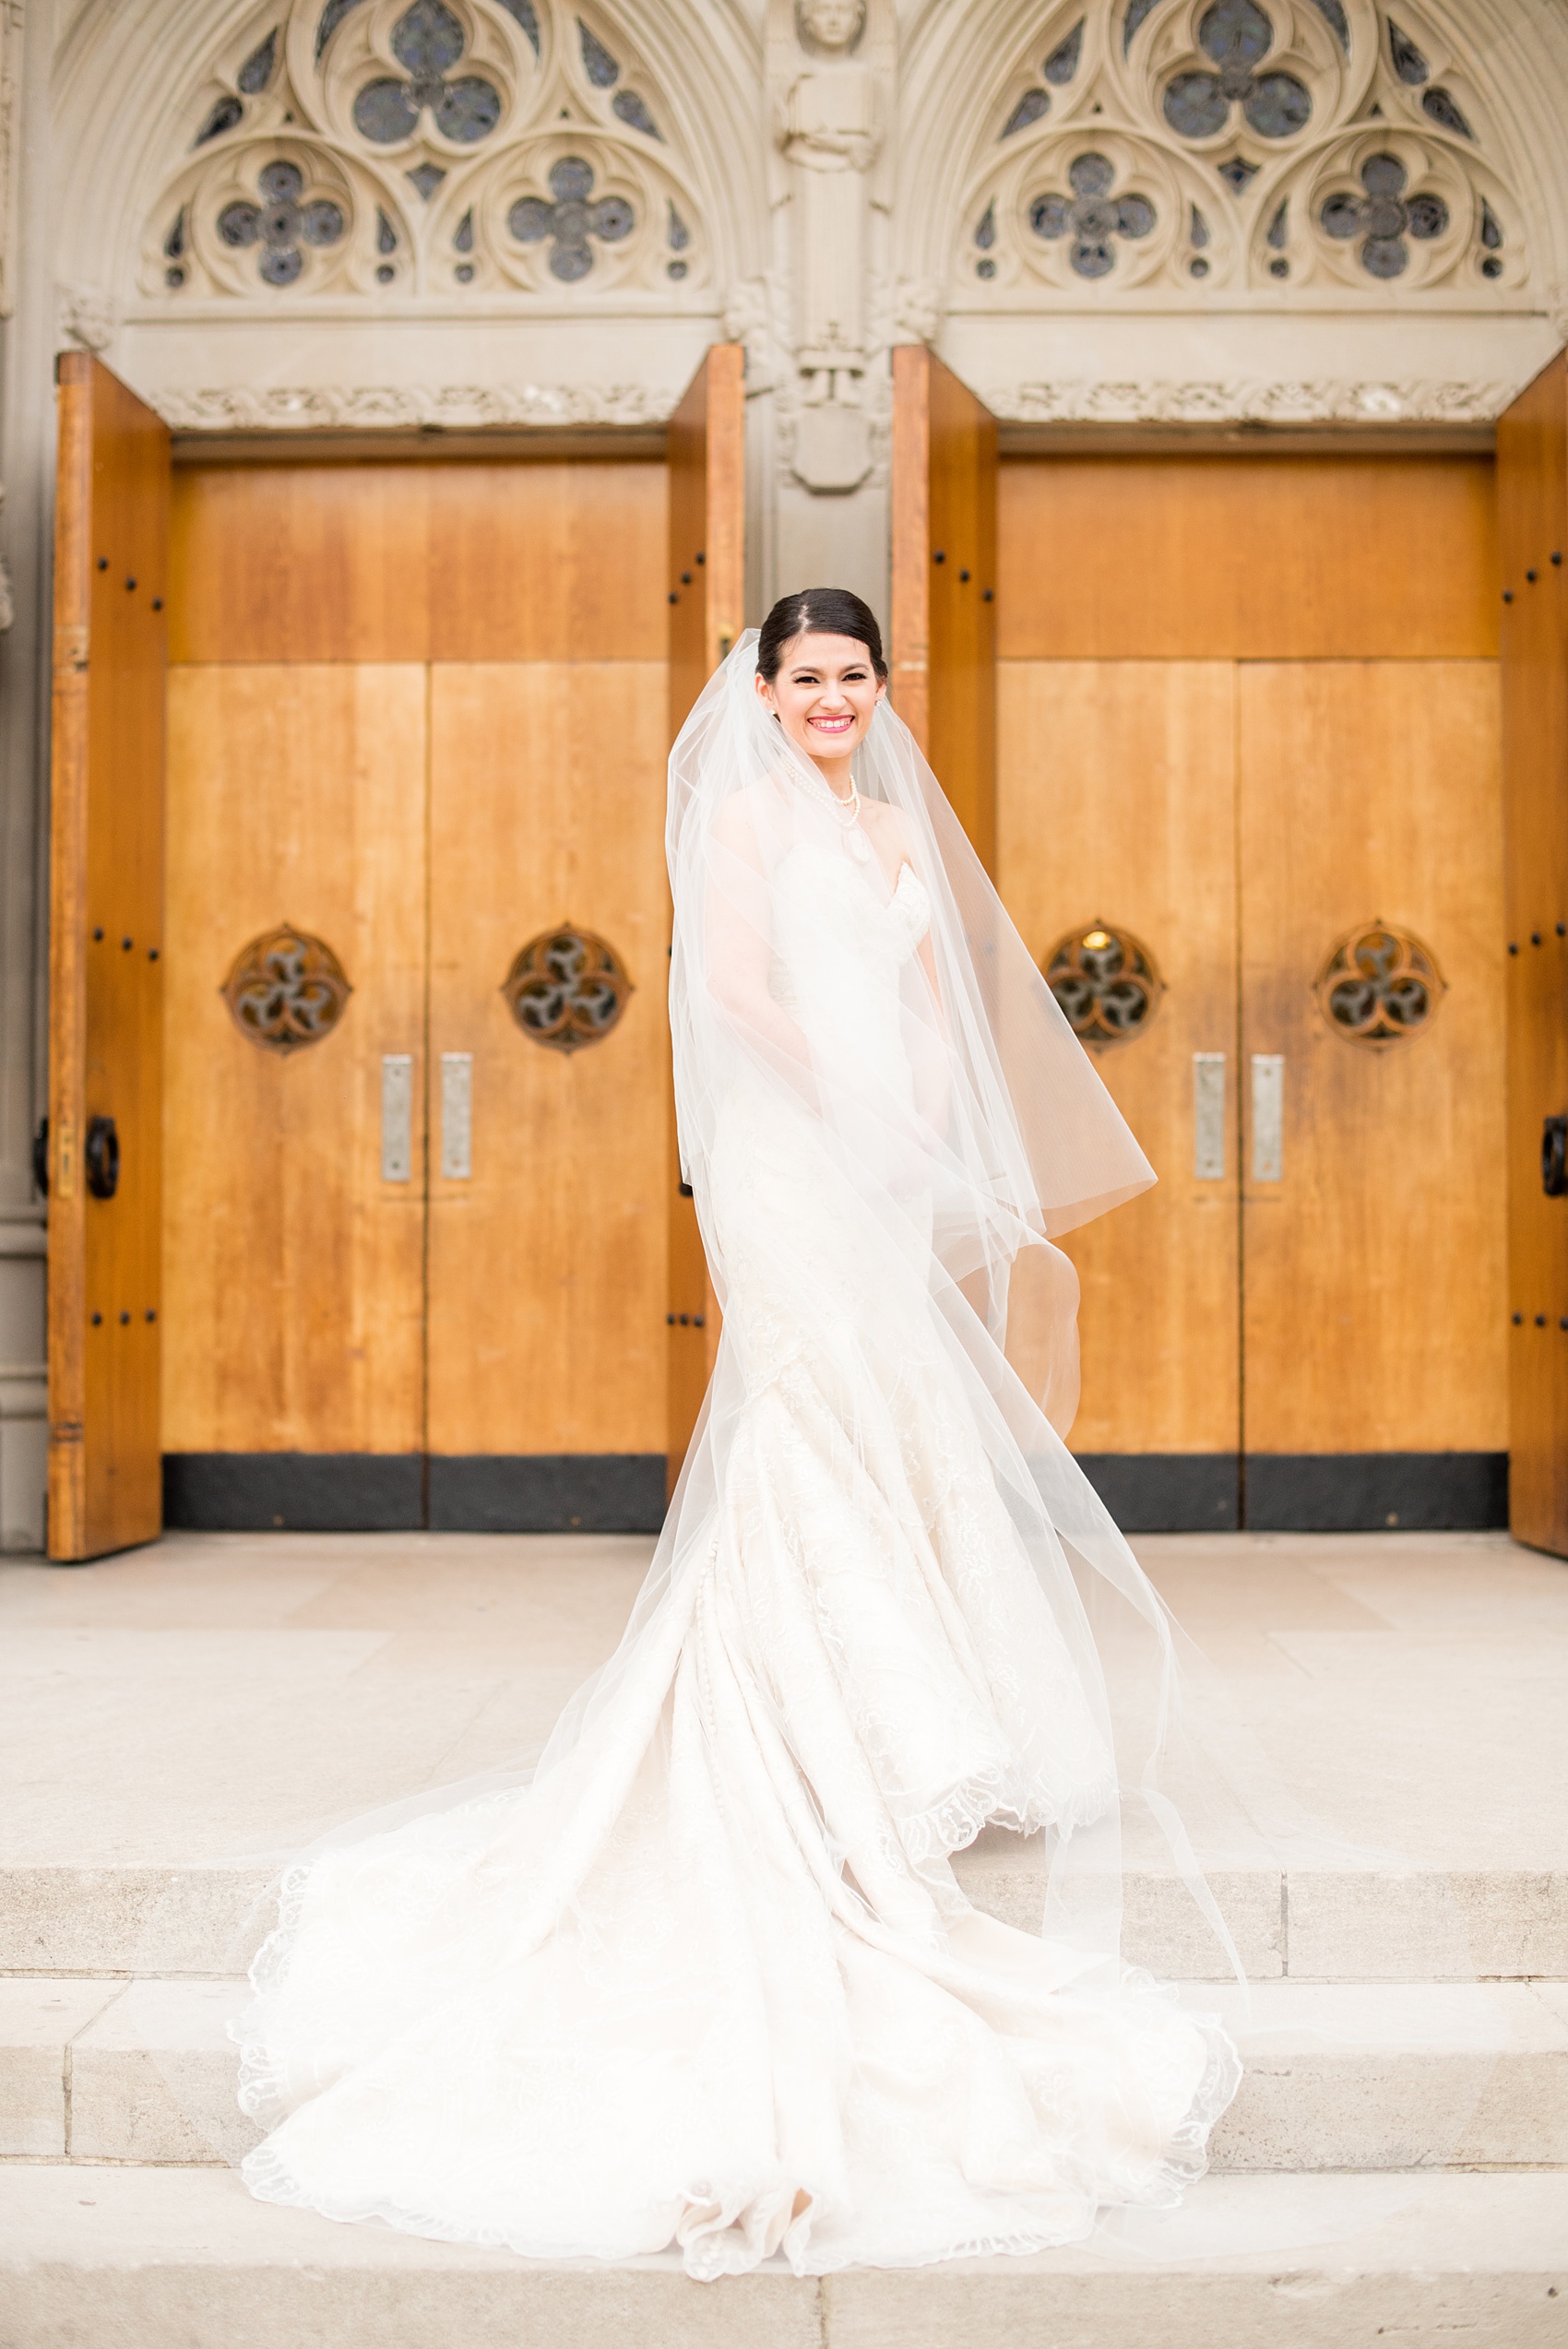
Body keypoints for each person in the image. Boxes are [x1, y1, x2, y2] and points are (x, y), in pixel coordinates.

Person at [234, 589, 1241, 2278]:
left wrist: (920, 1106)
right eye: (809, 679)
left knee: (900, 1407)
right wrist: (847, 1101)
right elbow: (741, 989)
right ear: (762, 694)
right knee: (809, 1405)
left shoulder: (879, 815)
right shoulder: (744, 813)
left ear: (874, 690)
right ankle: (807, 1731)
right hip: (785, 1159)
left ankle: (899, 1714)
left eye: (856, 676)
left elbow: (925, 997)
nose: (835, 699)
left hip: (879, 1157)